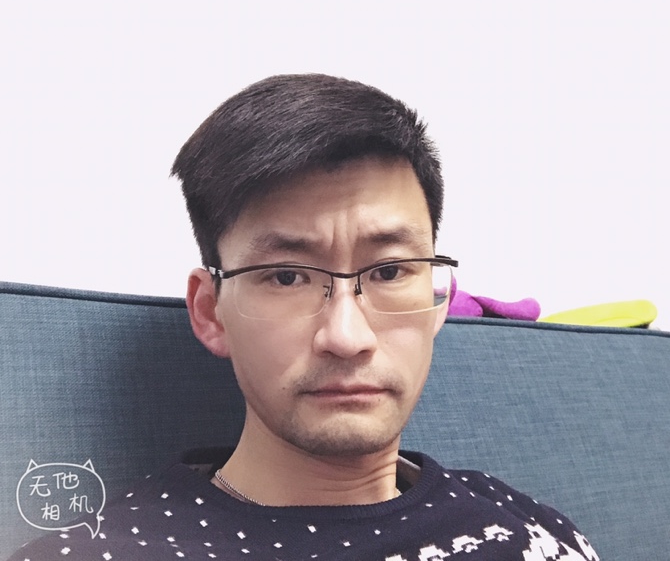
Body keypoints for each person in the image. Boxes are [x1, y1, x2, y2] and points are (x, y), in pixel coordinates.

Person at [9, 74, 600, 560]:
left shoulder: (536, 532)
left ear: (440, 297)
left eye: (390, 271)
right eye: (287, 276)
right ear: (211, 312)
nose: (347, 337)